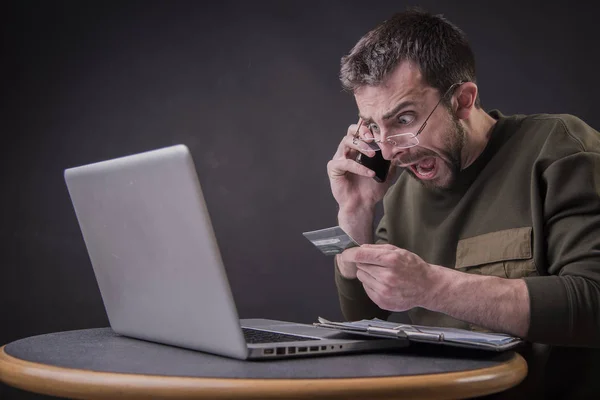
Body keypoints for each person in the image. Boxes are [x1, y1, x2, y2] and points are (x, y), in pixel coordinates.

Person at [327, 9, 600, 398]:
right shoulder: (402, 193)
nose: (387, 149)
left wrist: (431, 286)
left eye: (404, 118)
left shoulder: (558, 149)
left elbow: (593, 301)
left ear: (462, 100)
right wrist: (354, 217)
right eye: (372, 126)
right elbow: (367, 317)